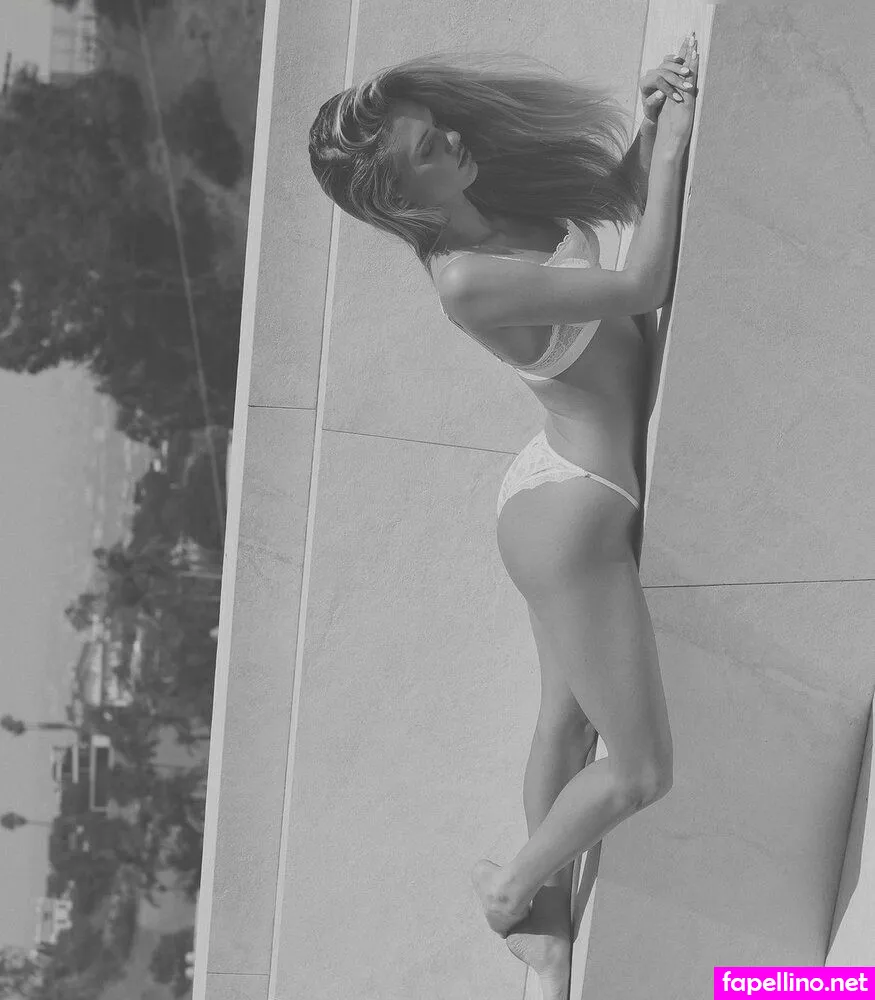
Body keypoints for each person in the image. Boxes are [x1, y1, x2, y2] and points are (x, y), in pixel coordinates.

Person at [309, 34, 698, 1000]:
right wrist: (681, 145)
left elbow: (608, 208)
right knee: (639, 771)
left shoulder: (497, 210)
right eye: (427, 149)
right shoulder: (463, 280)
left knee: (562, 731)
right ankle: (510, 893)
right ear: (404, 200)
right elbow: (641, 284)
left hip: (557, 483)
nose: (451, 138)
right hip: (572, 517)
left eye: (435, 126)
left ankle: (545, 935)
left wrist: (650, 122)